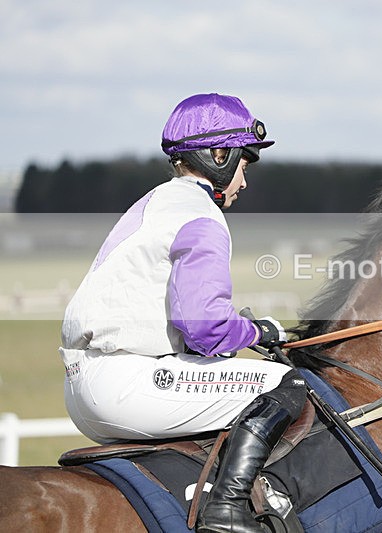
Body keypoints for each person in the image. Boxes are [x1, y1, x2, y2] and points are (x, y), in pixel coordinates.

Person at [59, 93, 306, 533]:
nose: (243, 183)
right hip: (127, 384)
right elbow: (204, 328)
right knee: (287, 383)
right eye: (243, 166)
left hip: (86, 383)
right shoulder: (202, 215)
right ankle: (226, 510)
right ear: (218, 155)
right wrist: (257, 332)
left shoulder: (155, 201)